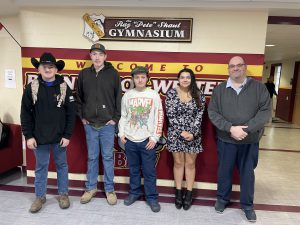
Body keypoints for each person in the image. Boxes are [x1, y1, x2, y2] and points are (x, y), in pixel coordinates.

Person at [208, 56, 271, 222]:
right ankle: (222, 200)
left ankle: (248, 206)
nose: (235, 68)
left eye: (239, 65)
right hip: (226, 140)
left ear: (245, 67)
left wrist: (246, 129)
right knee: (224, 172)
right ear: (228, 69)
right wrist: (230, 128)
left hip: (249, 140)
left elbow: (265, 112)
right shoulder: (220, 89)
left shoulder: (259, 88)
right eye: (232, 66)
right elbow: (213, 112)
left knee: (247, 174)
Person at [21, 52, 76, 213]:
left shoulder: (64, 87)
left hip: (60, 138)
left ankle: (64, 194)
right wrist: (28, 136)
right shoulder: (31, 88)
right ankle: (40, 197)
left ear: (56, 69)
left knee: (62, 165)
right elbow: (25, 113)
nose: (48, 69)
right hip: (39, 138)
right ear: (38, 69)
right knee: (41, 167)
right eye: (44, 66)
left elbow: (71, 114)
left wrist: (67, 135)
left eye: (51, 66)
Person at [76, 43, 122, 205]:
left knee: (108, 157)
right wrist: (82, 116)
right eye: (94, 54)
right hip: (90, 125)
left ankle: (110, 190)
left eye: (100, 54)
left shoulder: (113, 74)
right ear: (90, 56)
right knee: (92, 157)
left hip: (107, 125)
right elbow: (78, 98)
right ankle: (91, 188)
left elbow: (118, 98)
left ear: (105, 56)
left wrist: (115, 119)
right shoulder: (83, 74)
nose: (97, 57)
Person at [118, 66, 164, 213]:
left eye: (142, 77)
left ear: (147, 79)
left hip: (147, 141)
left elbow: (159, 116)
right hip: (130, 140)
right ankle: (134, 193)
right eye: (137, 77)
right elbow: (124, 116)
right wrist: (121, 133)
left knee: (149, 171)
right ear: (133, 79)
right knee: (134, 170)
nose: (140, 80)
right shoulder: (127, 95)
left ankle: (151, 198)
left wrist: (155, 137)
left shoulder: (153, 95)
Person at [165, 68, 205, 210]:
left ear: (192, 79)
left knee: (190, 164)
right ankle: (178, 192)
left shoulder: (199, 94)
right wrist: (182, 132)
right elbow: (170, 115)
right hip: (176, 134)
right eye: (182, 77)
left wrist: (192, 133)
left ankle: (189, 193)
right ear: (178, 79)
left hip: (193, 135)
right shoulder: (170, 94)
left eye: (188, 77)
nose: (185, 79)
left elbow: (199, 116)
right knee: (178, 162)